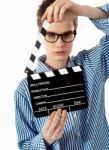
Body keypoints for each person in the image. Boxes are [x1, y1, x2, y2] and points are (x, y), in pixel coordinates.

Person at [14, 0, 109, 149]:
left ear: (75, 33)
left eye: (66, 34)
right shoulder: (24, 91)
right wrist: (45, 139)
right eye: (51, 35)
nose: (59, 44)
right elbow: (24, 146)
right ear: (41, 35)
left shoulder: (93, 64)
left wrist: (83, 10)